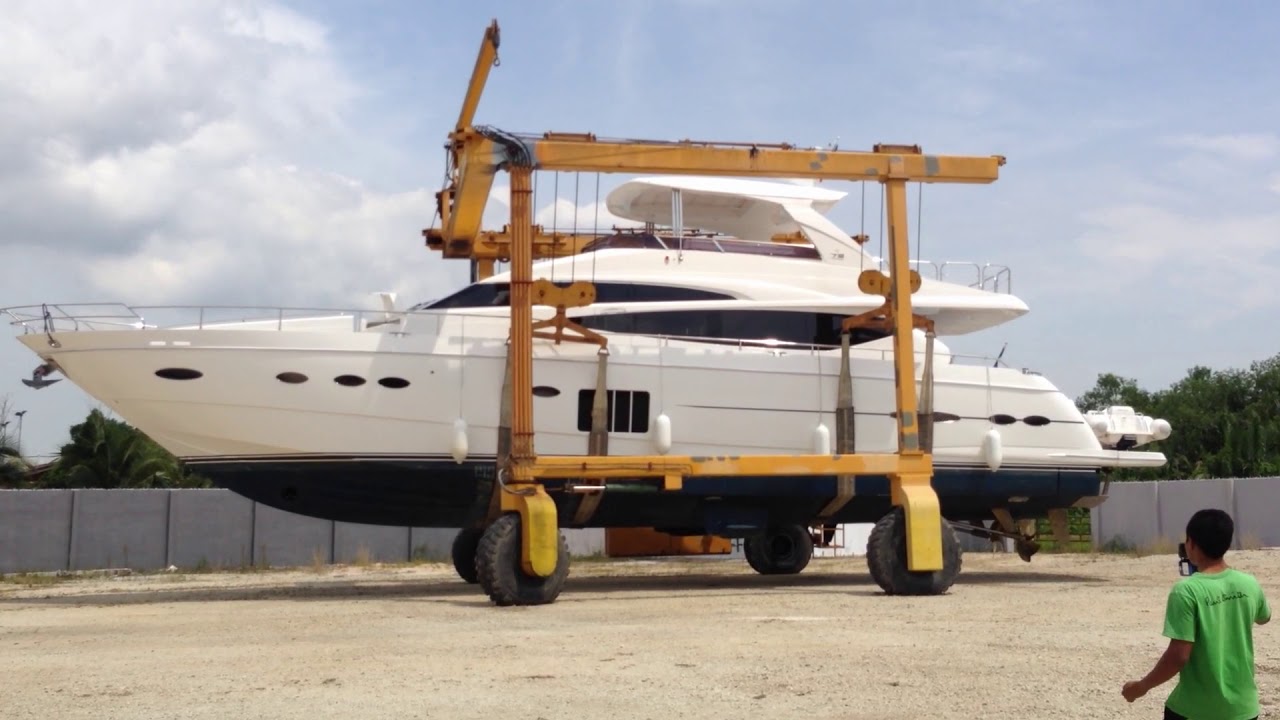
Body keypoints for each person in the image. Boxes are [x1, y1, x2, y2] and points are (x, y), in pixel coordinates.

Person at [1122, 508, 1271, 719]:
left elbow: (1178, 656)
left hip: (1196, 710)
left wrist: (1141, 686)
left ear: (1191, 543)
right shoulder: (1249, 583)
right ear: (1227, 544)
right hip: (1244, 709)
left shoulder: (1186, 590)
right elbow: (1264, 617)